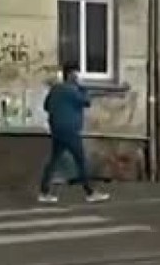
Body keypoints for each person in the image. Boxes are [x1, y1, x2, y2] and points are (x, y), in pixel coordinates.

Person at [38, 62, 109, 205]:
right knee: (80, 160)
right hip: (70, 131)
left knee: (53, 160)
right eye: (76, 74)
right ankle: (90, 192)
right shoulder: (72, 90)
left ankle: (44, 192)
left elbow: (46, 106)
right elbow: (87, 101)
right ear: (71, 75)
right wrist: (81, 87)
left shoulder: (56, 89)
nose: (77, 76)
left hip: (57, 130)